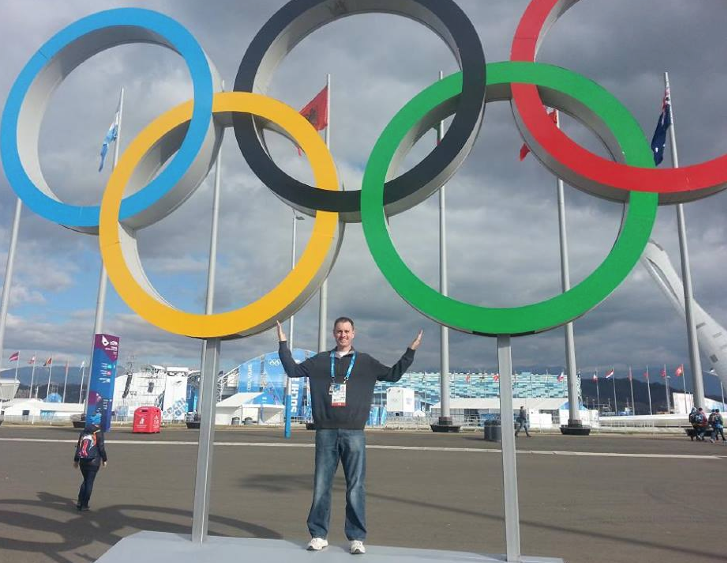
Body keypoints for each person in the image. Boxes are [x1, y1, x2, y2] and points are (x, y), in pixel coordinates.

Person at [277, 317, 422, 555]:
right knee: (321, 485)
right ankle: (318, 535)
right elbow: (292, 370)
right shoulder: (321, 361)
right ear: (334, 334)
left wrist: (410, 351)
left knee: (355, 486)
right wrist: (282, 343)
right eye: (339, 331)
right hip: (325, 432)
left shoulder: (365, 362)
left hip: (354, 432)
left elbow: (393, 375)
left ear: (353, 333)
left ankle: (356, 537)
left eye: (346, 331)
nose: (342, 335)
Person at [73, 423, 108, 511]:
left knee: (85, 480)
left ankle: (79, 502)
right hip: (94, 461)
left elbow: (79, 446)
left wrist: (76, 460)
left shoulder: (83, 432)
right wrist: (104, 459)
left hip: (83, 460)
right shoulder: (99, 433)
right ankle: (85, 504)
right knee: (89, 482)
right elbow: (101, 448)